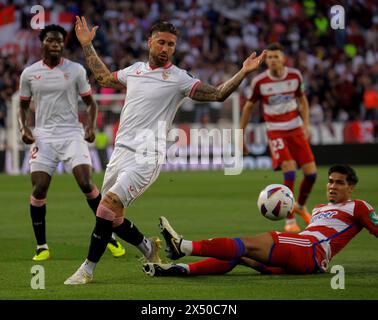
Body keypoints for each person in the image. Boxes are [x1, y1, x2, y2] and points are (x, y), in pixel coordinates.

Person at [64, 17, 266, 285]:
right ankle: (148, 248)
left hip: (147, 156)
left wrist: (243, 72)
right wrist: (87, 45)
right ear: (150, 42)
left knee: (106, 205)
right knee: (113, 218)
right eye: (161, 42)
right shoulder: (134, 70)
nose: (166, 48)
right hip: (120, 152)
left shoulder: (179, 79)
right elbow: (102, 78)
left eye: (171, 45)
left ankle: (87, 270)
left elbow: (218, 94)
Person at [144, 164, 377, 277]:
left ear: (351, 187)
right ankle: (180, 269)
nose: (332, 186)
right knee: (239, 254)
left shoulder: (358, 206)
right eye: (330, 181)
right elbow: (317, 229)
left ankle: (183, 246)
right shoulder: (319, 208)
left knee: (247, 242)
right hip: (304, 250)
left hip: (312, 250)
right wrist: (296, 212)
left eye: (339, 183)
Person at [18, 24, 125, 261]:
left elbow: (91, 103)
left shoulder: (76, 70)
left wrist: (90, 126)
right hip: (43, 136)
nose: (56, 44)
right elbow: (23, 106)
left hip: (71, 134)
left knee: (86, 183)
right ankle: (42, 246)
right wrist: (24, 128)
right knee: (39, 188)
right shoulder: (29, 73)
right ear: (43, 43)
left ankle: (108, 236)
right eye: (51, 40)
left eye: (59, 41)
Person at [240, 43, 317, 233]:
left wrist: (306, 124)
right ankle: (289, 219)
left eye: (276, 57)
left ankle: (299, 205)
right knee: (289, 172)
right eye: (270, 57)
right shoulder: (259, 81)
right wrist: (240, 136)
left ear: (283, 59)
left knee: (311, 174)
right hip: (275, 131)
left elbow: (302, 100)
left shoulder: (295, 76)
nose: (273, 60)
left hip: (296, 129)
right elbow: (248, 107)